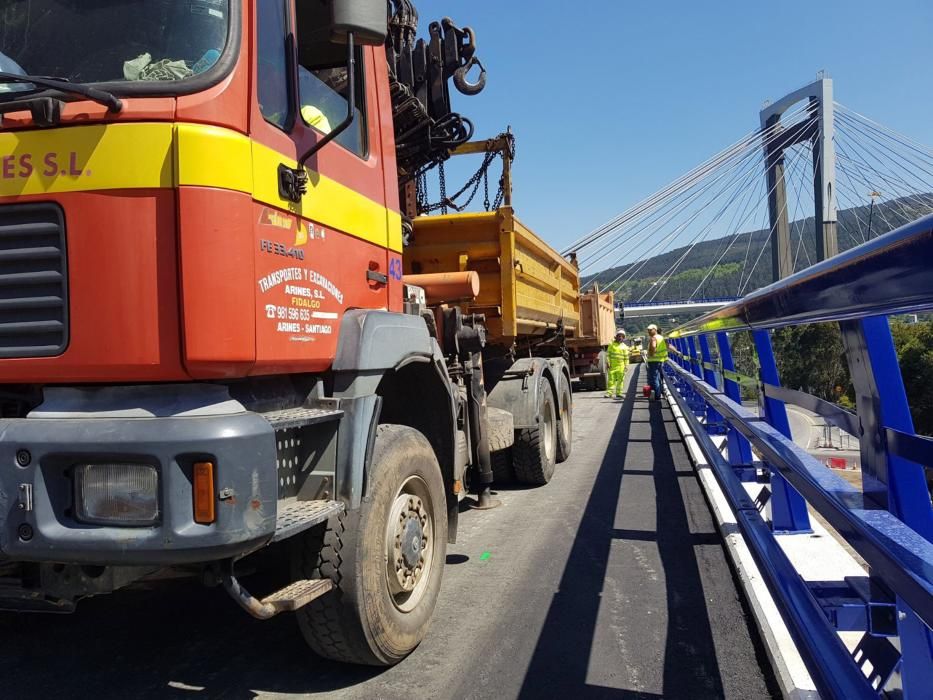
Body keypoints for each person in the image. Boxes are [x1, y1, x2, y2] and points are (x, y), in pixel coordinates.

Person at [605, 329, 630, 399]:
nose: (620, 338)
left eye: (622, 336)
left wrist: (626, 366)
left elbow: (626, 358)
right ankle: (609, 393)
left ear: (623, 338)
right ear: (616, 336)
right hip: (612, 366)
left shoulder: (624, 347)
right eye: (619, 336)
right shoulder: (611, 345)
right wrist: (608, 362)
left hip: (621, 366)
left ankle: (619, 393)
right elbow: (608, 354)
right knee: (611, 380)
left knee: (620, 380)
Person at [645, 323, 668, 400]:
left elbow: (653, 346)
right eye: (648, 330)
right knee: (659, 378)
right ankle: (661, 392)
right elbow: (668, 346)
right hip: (661, 360)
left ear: (655, 330)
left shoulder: (653, 338)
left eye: (650, 330)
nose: (649, 331)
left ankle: (657, 395)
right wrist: (677, 352)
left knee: (654, 378)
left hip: (653, 360)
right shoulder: (661, 337)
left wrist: (651, 354)